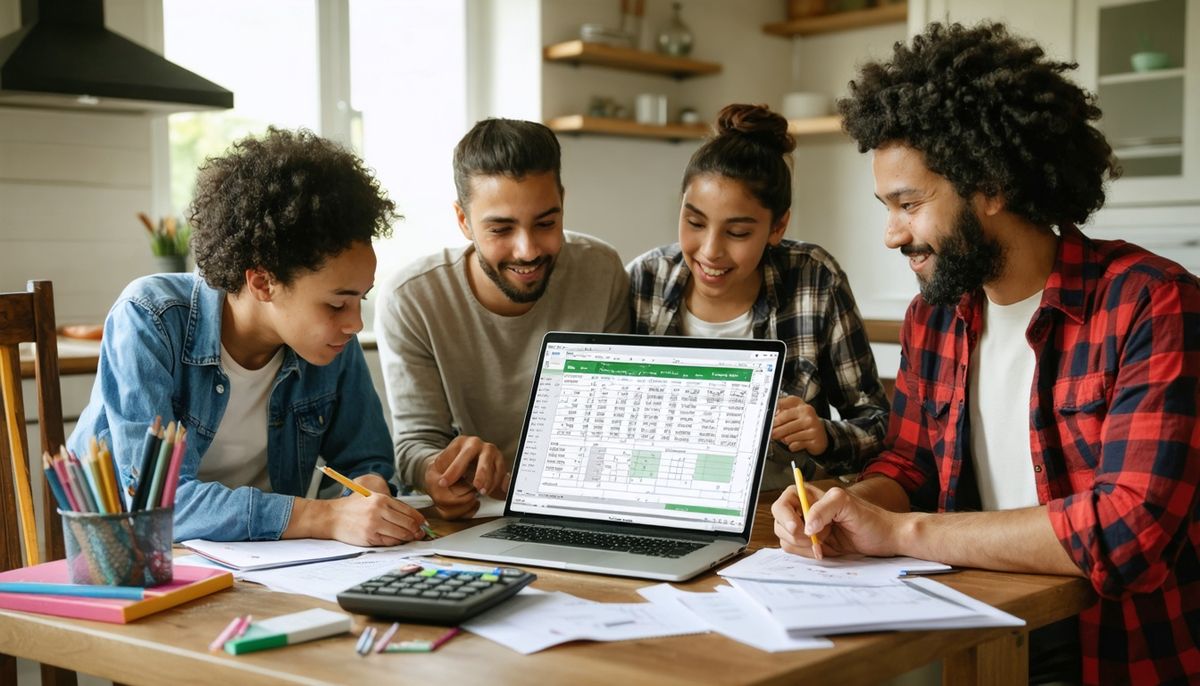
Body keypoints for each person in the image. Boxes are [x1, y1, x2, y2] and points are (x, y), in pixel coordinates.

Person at [771, 23, 1199, 685]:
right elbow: (909, 466)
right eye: (887, 207)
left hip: (1110, 650)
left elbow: (1126, 533)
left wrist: (899, 533)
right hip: (971, 617)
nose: (892, 234)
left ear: (992, 185)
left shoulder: (1152, 304)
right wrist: (841, 507)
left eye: (910, 204)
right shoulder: (937, 316)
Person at [69, 128, 428, 545]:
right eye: (336, 304)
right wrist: (321, 517)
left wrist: (370, 488)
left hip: (258, 565)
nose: (354, 323)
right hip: (132, 565)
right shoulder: (150, 318)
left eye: (360, 300)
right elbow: (157, 505)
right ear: (262, 282)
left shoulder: (328, 341)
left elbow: (367, 459)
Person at [375, 118, 629, 519]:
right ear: (463, 221)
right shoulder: (412, 298)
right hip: (475, 518)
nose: (527, 250)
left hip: (583, 509)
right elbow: (414, 446)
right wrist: (440, 472)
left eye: (546, 223)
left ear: (563, 202)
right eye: (501, 229)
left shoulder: (603, 271)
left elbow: (617, 419)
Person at [628, 103, 889, 489]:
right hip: (660, 497)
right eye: (695, 222)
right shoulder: (645, 279)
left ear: (777, 226)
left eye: (737, 233)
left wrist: (824, 435)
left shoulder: (814, 279)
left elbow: (877, 422)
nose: (710, 250)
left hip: (777, 507)